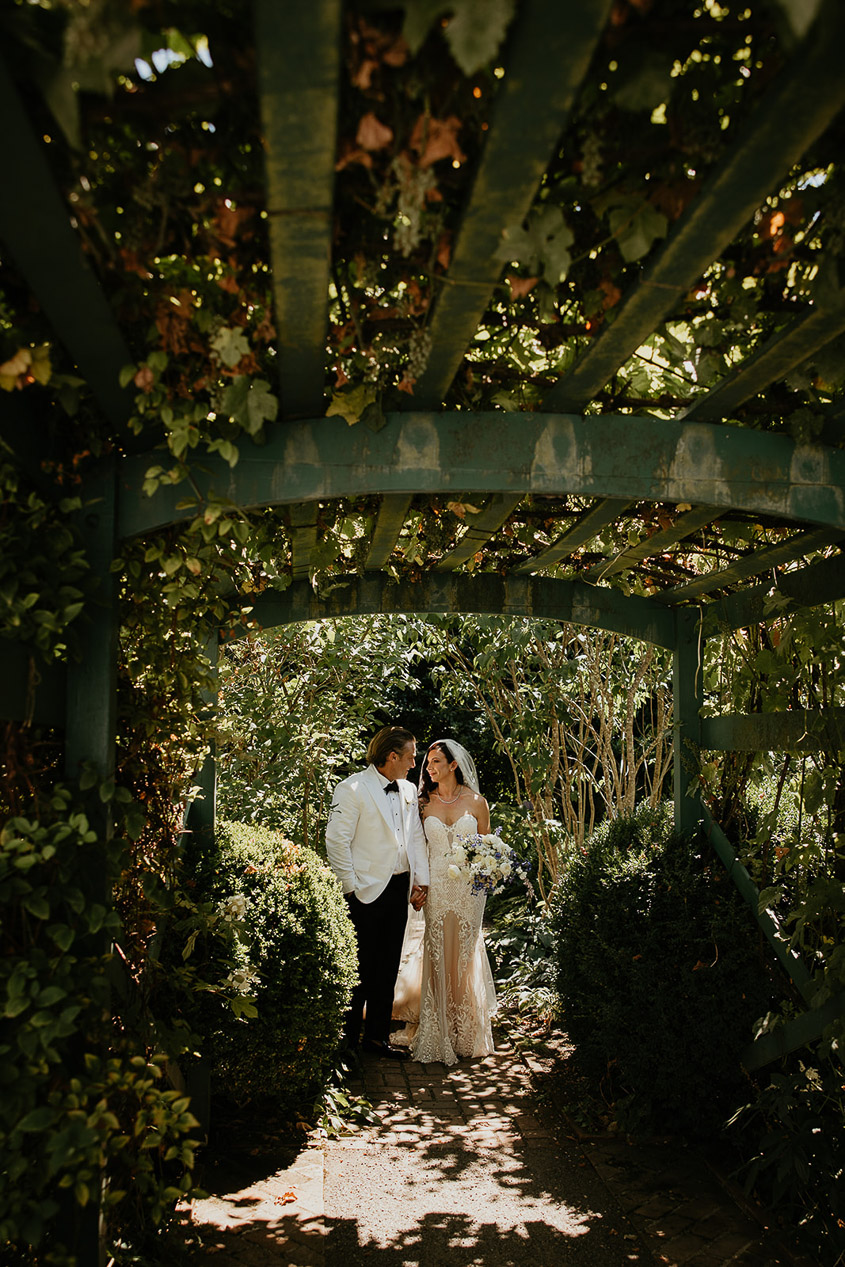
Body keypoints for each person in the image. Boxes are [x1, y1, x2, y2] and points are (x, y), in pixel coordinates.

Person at [326, 725, 429, 1060]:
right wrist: (350, 887)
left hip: (400, 888)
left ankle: (376, 1039)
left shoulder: (410, 790)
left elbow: (415, 839)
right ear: (392, 756)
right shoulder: (352, 788)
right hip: (364, 891)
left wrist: (420, 881)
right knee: (360, 968)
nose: (415, 763)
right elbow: (336, 840)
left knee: (388, 967)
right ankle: (347, 1042)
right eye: (411, 756)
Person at [392, 738, 497, 1065]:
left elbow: (486, 851)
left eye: (436, 762)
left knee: (464, 953)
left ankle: (465, 1030)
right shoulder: (422, 804)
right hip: (436, 886)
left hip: (468, 891)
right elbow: (415, 850)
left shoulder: (478, 803)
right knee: (437, 951)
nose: (429, 767)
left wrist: (484, 882)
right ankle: (436, 1029)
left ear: (454, 765)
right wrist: (418, 886)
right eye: (428, 762)